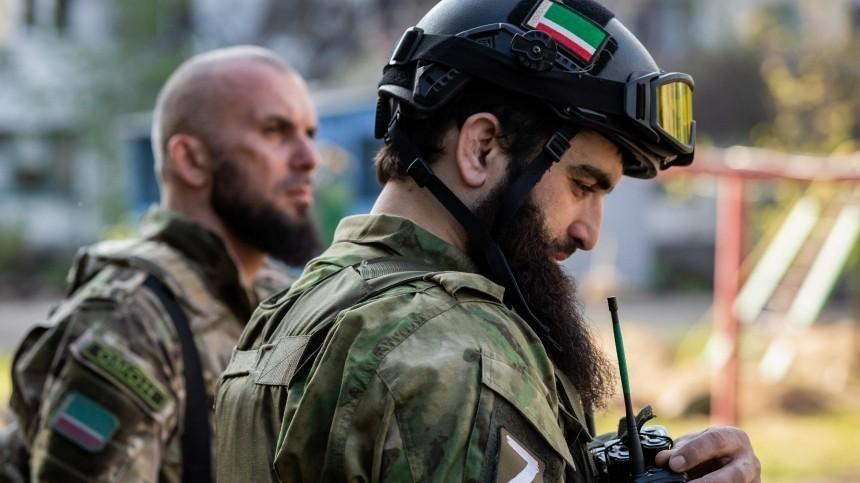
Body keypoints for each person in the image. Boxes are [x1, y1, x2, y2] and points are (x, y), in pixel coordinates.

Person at [215, 1, 760, 482]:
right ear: (481, 148)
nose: (589, 232)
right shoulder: (456, 355)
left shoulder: (298, 307)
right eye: (583, 185)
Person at [0, 45, 321, 482]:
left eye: (309, 133)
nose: (308, 158)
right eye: (275, 131)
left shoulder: (276, 299)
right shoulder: (131, 323)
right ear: (190, 159)